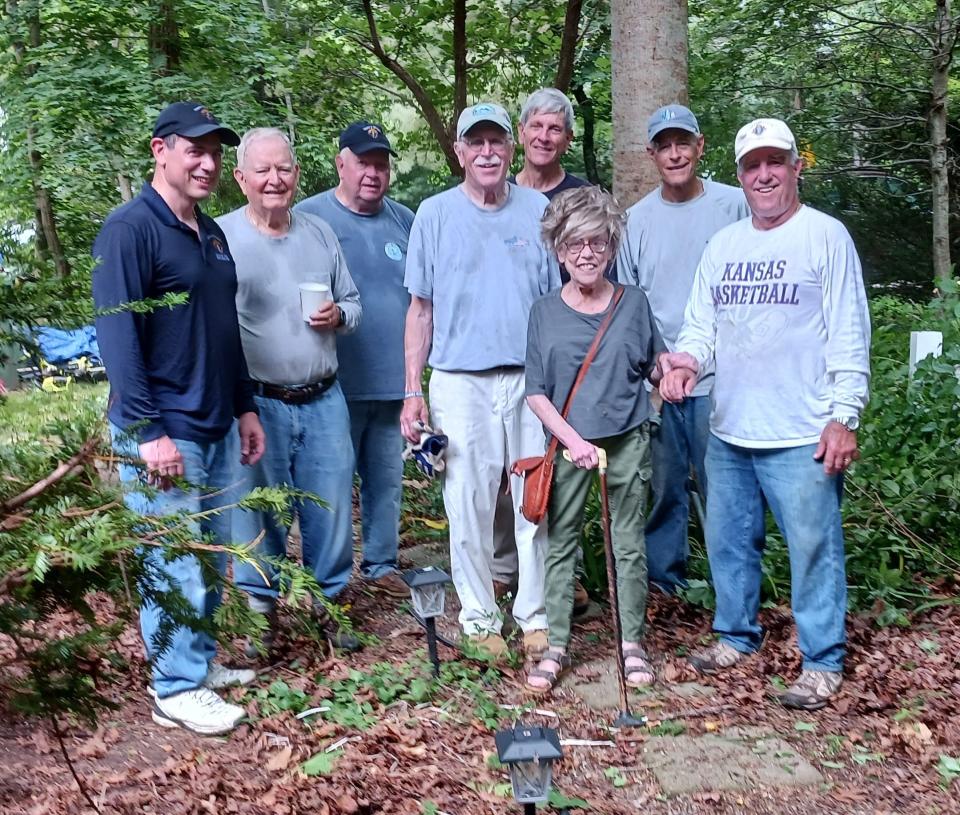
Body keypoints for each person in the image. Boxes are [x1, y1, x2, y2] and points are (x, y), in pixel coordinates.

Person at [659, 118, 871, 710]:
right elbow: (701, 328)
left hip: (803, 432)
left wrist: (844, 417)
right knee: (728, 543)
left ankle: (822, 661)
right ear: (740, 175)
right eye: (753, 166)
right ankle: (735, 636)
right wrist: (684, 363)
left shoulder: (824, 237)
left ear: (796, 166)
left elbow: (849, 334)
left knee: (812, 547)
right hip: (730, 428)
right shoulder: (725, 245)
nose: (764, 174)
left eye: (775, 162)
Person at [92, 101, 266, 735]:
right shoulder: (129, 229)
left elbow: (225, 332)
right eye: (194, 149)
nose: (208, 162)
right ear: (160, 151)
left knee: (211, 554)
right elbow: (117, 338)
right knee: (173, 560)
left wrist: (245, 407)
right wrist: (147, 432)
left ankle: (196, 663)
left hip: (218, 419)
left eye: (215, 151)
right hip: (166, 428)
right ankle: (175, 686)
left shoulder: (211, 232)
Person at [401, 102, 559, 660]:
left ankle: (535, 614)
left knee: (532, 499)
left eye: (497, 142)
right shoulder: (435, 214)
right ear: (460, 152)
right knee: (465, 502)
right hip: (457, 381)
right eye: (476, 143)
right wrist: (412, 390)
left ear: (510, 150)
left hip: (528, 381)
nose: (487, 152)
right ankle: (478, 617)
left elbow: (556, 303)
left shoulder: (539, 210)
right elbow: (420, 309)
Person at [218, 127, 363, 652]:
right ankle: (261, 616)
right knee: (257, 508)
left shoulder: (320, 234)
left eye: (284, 169)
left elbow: (354, 302)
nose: (275, 179)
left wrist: (339, 315)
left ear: (298, 175)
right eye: (263, 170)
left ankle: (331, 606)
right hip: (257, 402)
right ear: (241, 178)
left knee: (329, 507)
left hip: (324, 397)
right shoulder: (220, 238)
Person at [523, 186, 665, 693]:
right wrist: (573, 441)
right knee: (561, 546)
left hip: (627, 440)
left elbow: (653, 368)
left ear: (611, 247)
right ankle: (557, 644)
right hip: (568, 445)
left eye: (597, 244)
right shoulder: (543, 312)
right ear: (559, 251)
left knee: (627, 545)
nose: (586, 254)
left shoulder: (634, 304)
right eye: (574, 245)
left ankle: (631, 644)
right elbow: (535, 393)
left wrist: (669, 378)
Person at [617, 104, 750, 594]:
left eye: (683, 143)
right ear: (651, 153)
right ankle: (664, 585)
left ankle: (732, 589)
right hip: (660, 382)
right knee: (665, 488)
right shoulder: (635, 221)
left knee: (726, 490)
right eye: (664, 146)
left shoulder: (735, 205)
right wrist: (656, 369)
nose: (675, 154)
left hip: (725, 379)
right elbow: (630, 306)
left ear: (700, 146)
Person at [296, 122, 414, 598]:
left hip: (393, 383)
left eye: (381, 164)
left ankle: (382, 567)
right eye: (363, 162)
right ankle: (332, 576)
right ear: (340, 163)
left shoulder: (406, 220)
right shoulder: (309, 218)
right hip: (333, 385)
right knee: (331, 484)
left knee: (386, 481)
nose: (373, 172)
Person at [498, 88, 592, 609]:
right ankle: (505, 568)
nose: (544, 137)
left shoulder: (579, 197)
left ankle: (562, 573)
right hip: (506, 351)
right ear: (521, 132)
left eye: (555, 129)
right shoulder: (499, 192)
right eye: (536, 127)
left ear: (567, 138)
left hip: (565, 352)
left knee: (557, 462)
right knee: (501, 471)